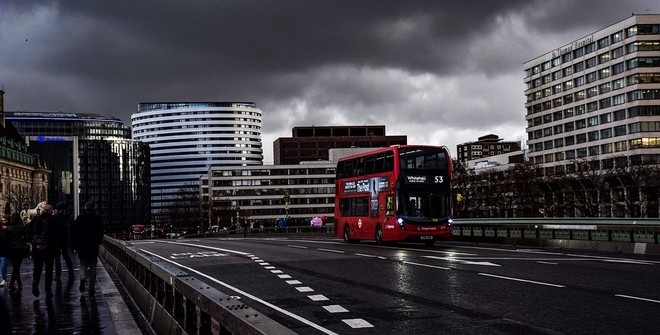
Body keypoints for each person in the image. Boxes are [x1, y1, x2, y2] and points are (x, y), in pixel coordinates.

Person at [72, 202, 104, 295]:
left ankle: (82, 278)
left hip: (82, 245)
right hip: (93, 245)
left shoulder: (80, 218)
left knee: (83, 265)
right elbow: (100, 232)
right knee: (93, 267)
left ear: (85, 207)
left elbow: (75, 232)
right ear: (94, 208)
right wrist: (99, 241)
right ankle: (91, 287)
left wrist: (74, 245)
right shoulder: (97, 218)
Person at [27, 204, 56, 297]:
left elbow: (29, 234)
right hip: (49, 249)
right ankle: (48, 289)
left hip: (37, 248)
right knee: (49, 269)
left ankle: (35, 284)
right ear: (51, 211)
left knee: (37, 268)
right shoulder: (53, 221)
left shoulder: (35, 220)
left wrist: (35, 244)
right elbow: (56, 236)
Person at [4, 212, 29, 291]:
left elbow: (5, 239)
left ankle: (18, 283)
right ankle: (13, 283)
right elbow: (26, 238)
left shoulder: (8, 228)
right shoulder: (22, 227)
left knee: (15, 267)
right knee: (17, 267)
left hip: (11, 249)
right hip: (20, 249)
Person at [52, 202, 74, 281]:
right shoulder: (68, 218)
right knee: (66, 256)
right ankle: (71, 272)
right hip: (65, 238)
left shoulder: (54, 218)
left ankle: (58, 275)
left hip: (57, 239)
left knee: (57, 257)